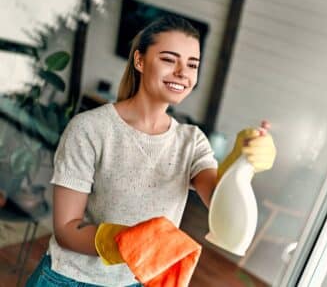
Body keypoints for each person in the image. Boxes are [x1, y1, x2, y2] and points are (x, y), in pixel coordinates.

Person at [25, 15, 276, 286]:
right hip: (68, 279)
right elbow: (66, 229)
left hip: (138, 282)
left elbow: (220, 205)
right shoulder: (90, 129)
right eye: (169, 59)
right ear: (140, 61)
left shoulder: (191, 142)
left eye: (193, 65)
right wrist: (127, 242)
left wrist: (242, 163)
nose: (183, 72)